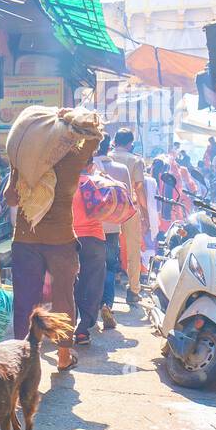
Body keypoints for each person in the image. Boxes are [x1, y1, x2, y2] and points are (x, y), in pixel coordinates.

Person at [5, 110, 100, 372]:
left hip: (25, 240)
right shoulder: (73, 158)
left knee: (25, 299)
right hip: (61, 242)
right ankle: (63, 354)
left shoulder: (24, 163)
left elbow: (11, 199)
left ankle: (23, 356)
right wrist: (72, 118)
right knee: (63, 299)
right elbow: (96, 135)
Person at [93, 135, 132, 331]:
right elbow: (128, 200)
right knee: (109, 267)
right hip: (112, 228)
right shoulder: (121, 169)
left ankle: (88, 310)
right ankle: (107, 304)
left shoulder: (85, 168)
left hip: (87, 228)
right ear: (109, 146)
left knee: (88, 268)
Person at [108, 128, 149, 311]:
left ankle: (106, 290)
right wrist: (146, 213)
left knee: (107, 247)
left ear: (115, 141)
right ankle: (133, 290)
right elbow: (139, 188)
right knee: (132, 249)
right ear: (130, 143)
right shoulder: (135, 160)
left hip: (106, 208)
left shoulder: (105, 157)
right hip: (130, 209)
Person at [71, 160, 108, 346]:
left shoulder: (65, 184)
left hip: (70, 239)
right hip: (94, 239)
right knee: (92, 285)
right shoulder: (97, 183)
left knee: (70, 285)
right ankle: (83, 330)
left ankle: (67, 327)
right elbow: (105, 211)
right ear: (91, 165)